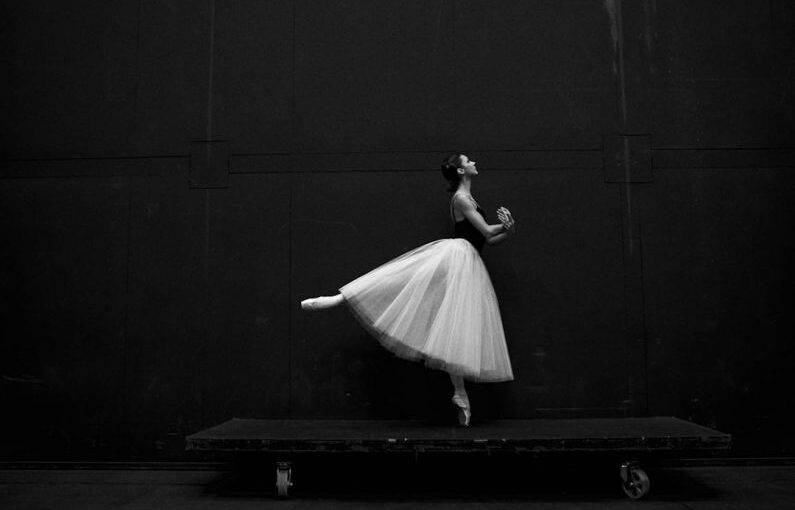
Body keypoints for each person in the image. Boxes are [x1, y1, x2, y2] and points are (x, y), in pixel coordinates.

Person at [301, 154, 516, 426]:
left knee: (455, 327)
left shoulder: (471, 199)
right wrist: (504, 225)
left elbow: (490, 241)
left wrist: (509, 231)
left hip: (470, 261)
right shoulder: (461, 199)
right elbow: (485, 231)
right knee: (403, 280)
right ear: (462, 170)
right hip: (457, 258)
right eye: (468, 160)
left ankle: (460, 395)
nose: (474, 161)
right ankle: (340, 298)